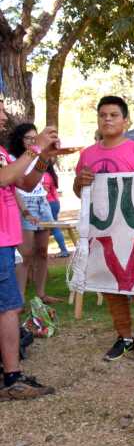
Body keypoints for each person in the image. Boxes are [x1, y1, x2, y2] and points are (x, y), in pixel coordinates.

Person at [74, 96, 134, 362]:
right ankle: (123, 336)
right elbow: (80, 192)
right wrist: (80, 182)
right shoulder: (87, 154)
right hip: (103, 232)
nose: (107, 119)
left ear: (125, 120)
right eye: (102, 115)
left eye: (113, 115)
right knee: (110, 284)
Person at [0, 101, 59, 401]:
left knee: (8, 306)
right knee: (9, 307)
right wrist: (34, 148)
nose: (4, 115)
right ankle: (12, 378)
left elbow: (23, 182)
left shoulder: (1, 152)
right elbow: (4, 178)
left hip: (5, 240)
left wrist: (44, 158)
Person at [8, 124, 55, 304]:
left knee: (43, 251)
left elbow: (36, 183)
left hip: (42, 203)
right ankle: (19, 299)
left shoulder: (38, 157)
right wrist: (25, 212)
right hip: (24, 205)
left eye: (36, 138)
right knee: (26, 254)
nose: (34, 141)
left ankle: (41, 294)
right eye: (29, 138)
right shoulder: (12, 158)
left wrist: (46, 154)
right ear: (20, 139)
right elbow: (16, 188)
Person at [43, 168, 70, 257]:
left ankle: (64, 250)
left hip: (49, 203)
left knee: (54, 228)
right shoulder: (50, 174)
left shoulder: (45, 175)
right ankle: (62, 250)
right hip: (54, 203)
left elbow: (45, 191)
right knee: (51, 227)